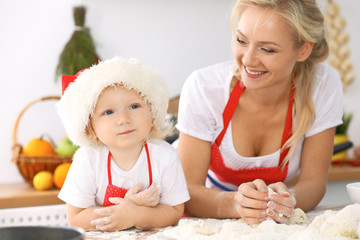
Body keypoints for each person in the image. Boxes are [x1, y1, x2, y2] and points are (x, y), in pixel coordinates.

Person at [176, 0, 343, 225]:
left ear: (303, 49)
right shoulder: (204, 88)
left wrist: (287, 201)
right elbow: (185, 192)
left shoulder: (322, 85)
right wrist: (236, 203)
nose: (248, 59)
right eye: (241, 40)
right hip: (208, 220)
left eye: (267, 49)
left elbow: (314, 182)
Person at [57, 57, 190, 231]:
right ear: (91, 129)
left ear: (152, 114)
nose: (123, 119)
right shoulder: (87, 160)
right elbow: (75, 217)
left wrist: (136, 214)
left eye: (134, 106)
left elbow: (174, 210)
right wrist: (122, 210)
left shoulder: (165, 156)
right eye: (108, 112)